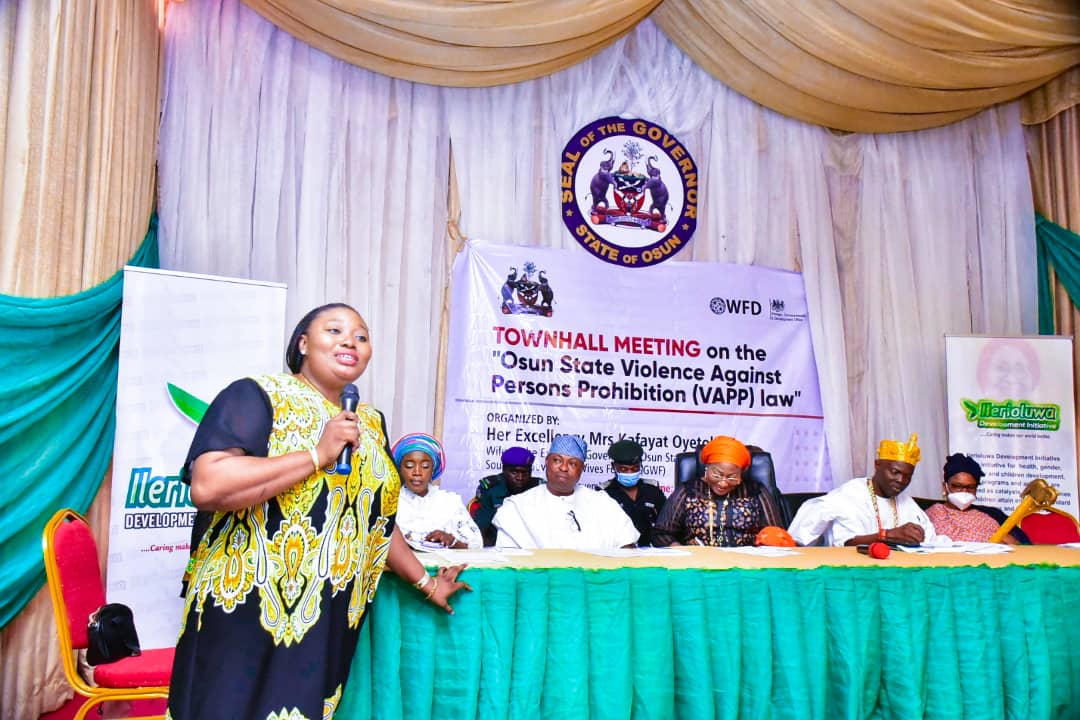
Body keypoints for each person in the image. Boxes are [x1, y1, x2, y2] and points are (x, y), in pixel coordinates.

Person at [168, 303, 469, 720]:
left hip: (324, 614)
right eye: (334, 330)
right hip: (246, 608)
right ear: (303, 344)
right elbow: (208, 484)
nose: (350, 341)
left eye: (361, 336)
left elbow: (375, 521)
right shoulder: (257, 394)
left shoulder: (370, 421)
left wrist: (426, 584)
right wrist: (316, 454)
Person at [787, 433, 939, 546]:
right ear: (877, 465)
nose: (901, 480)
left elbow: (930, 540)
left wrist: (920, 536)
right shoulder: (849, 495)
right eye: (894, 472)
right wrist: (887, 535)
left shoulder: (907, 502)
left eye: (907, 476)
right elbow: (844, 543)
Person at [492, 434, 639, 549]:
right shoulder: (517, 507)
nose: (563, 468)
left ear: (582, 470)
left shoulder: (602, 503)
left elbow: (627, 546)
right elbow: (508, 559)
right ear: (546, 463)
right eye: (557, 460)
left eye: (573, 463)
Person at [652, 435, 784, 547]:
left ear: (741, 474)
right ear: (707, 468)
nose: (723, 483)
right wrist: (681, 550)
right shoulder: (687, 491)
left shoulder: (756, 491)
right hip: (699, 565)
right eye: (717, 475)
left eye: (732, 477)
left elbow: (775, 532)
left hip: (747, 566)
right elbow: (661, 533)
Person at [393, 432, 482, 549]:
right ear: (400, 469)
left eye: (425, 466)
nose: (417, 472)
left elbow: (476, 546)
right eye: (409, 466)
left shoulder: (450, 502)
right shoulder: (389, 501)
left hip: (445, 566)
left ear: (433, 469)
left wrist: (451, 541)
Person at [925, 453, 1029, 544]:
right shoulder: (937, 511)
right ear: (945, 486)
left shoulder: (991, 514)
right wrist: (997, 538)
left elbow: (1019, 541)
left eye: (970, 487)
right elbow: (951, 537)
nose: (964, 491)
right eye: (957, 486)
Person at [469, 446, 542, 546]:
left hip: (533, 546)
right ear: (504, 470)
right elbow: (479, 530)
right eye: (514, 472)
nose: (520, 477)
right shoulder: (491, 490)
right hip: (497, 546)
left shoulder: (538, 489)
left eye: (525, 473)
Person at [602, 439, 666, 546]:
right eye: (624, 469)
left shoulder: (652, 491)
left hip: (652, 551)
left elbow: (667, 526)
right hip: (618, 553)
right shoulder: (605, 494)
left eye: (634, 468)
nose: (629, 473)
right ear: (613, 467)